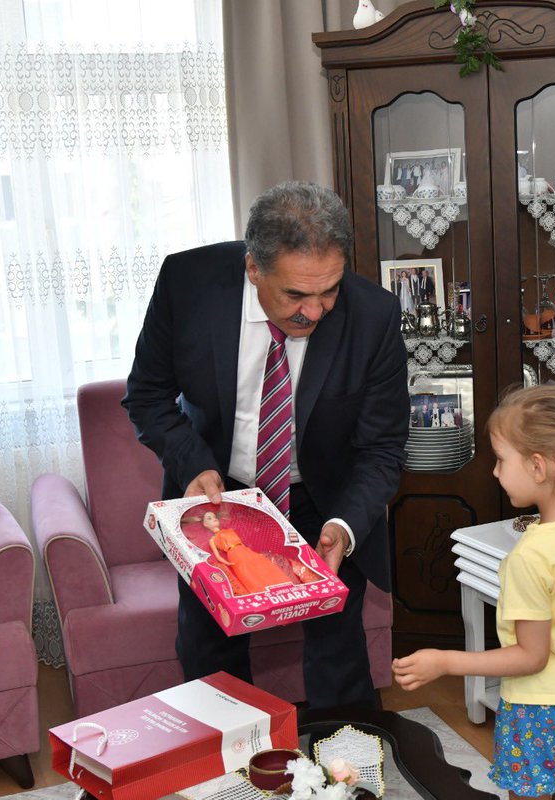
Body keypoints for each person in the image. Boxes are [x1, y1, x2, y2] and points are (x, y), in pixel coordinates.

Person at [123, 180, 408, 710]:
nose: (315, 311)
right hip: (218, 496)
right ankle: (231, 757)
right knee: (210, 654)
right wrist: (192, 464)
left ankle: (342, 756)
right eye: (295, 295)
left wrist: (345, 526)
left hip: (326, 499)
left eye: (329, 291)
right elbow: (147, 395)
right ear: (253, 267)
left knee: (339, 658)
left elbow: (383, 447)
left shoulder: (374, 315)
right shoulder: (188, 284)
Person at [393, 385, 555, 799]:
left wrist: (445, 661)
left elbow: (531, 656)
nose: (495, 472)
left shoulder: (532, 556)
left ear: (538, 466)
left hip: (542, 711)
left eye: (501, 460)